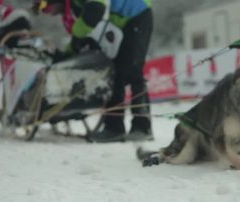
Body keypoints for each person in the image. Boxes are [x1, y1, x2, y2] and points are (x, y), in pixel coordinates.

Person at [32, 0, 153, 142]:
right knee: (113, 73)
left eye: (45, 6)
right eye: (41, 10)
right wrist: (71, 51)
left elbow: (95, 12)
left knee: (134, 70)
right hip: (117, 24)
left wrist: (78, 36)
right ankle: (114, 128)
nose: (47, 12)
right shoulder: (71, 8)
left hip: (136, 13)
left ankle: (142, 127)